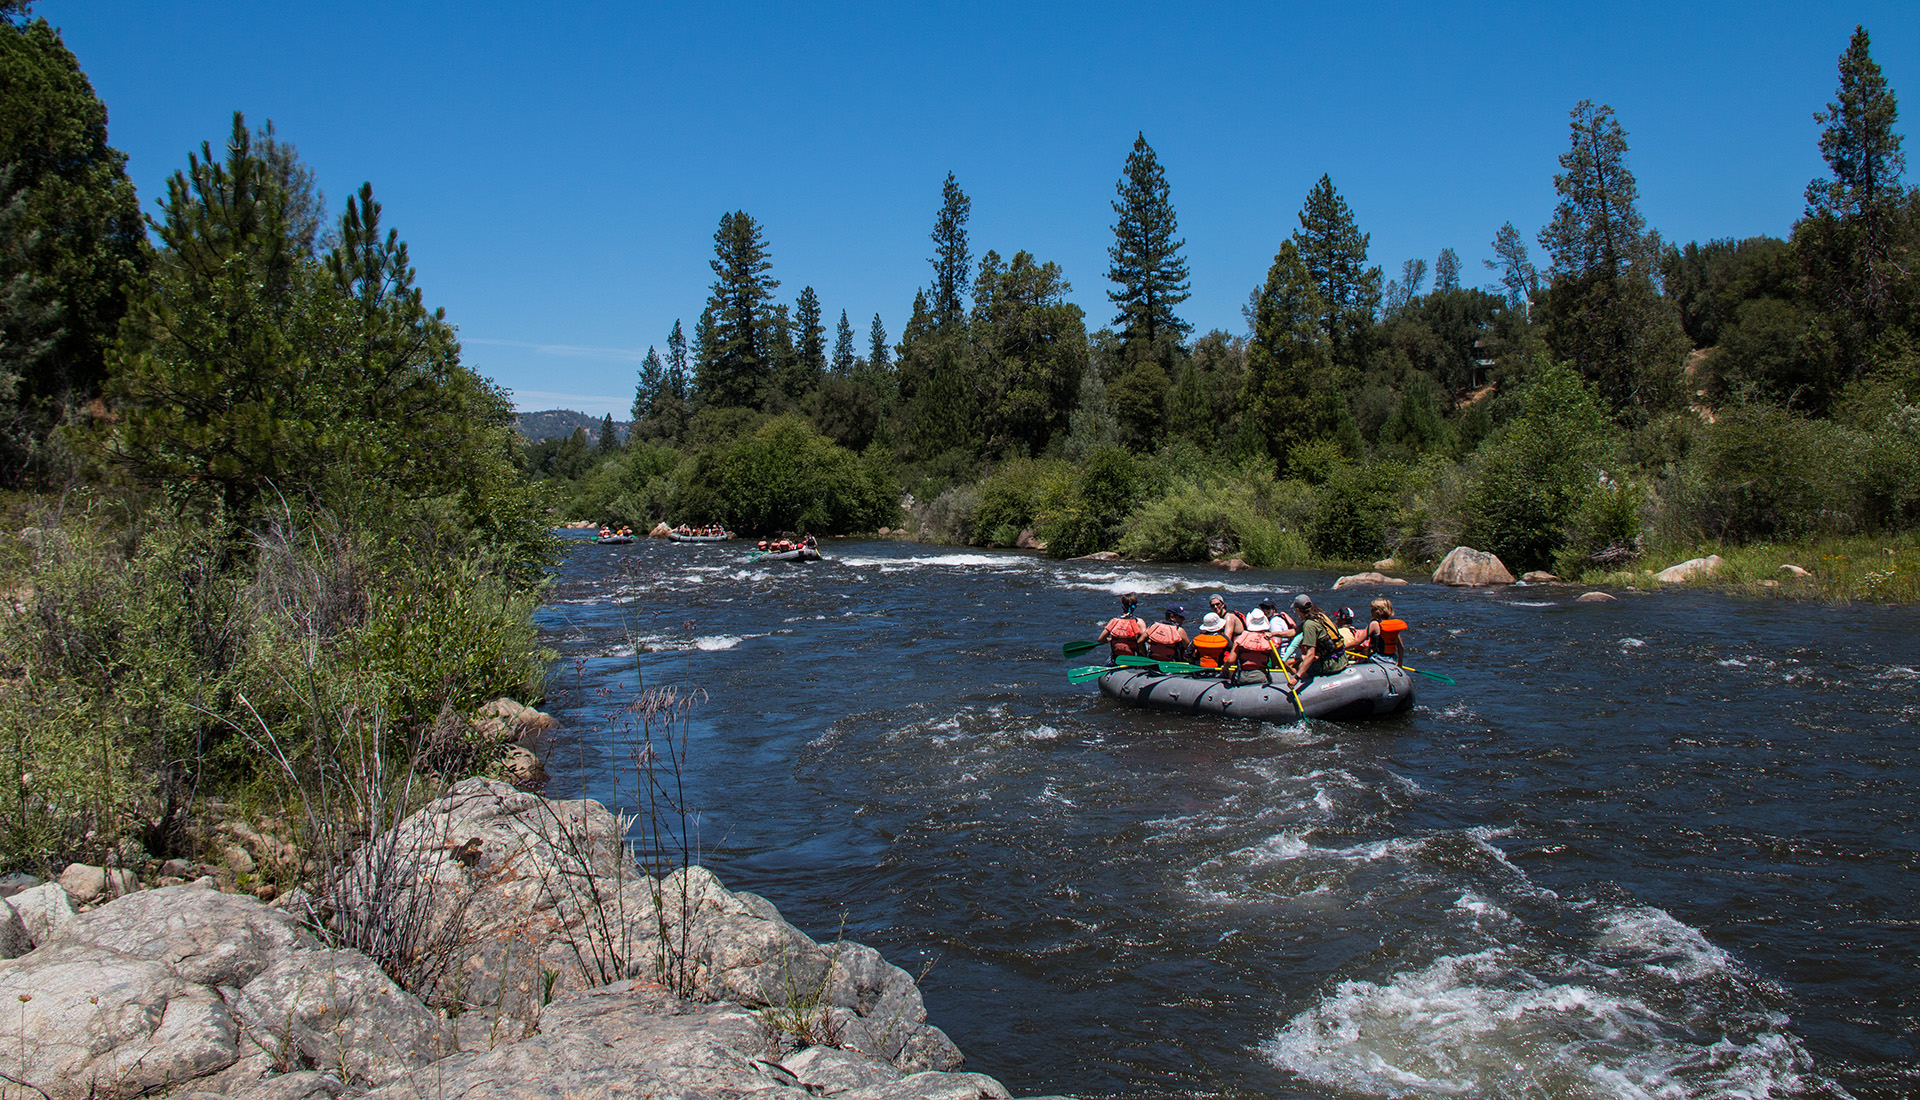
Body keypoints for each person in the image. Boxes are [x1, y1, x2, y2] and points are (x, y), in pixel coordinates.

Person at [1284, 594, 1351, 683]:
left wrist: (1296, 678)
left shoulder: (1309, 625)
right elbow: (1294, 632)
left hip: (1331, 664)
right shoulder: (1320, 616)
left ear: (1298, 610)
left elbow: (1310, 655)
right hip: (1341, 658)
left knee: (1301, 667)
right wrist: (1274, 634)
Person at [1230, 609, 1280, 683]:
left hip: (1242, 676)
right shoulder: (1268, 641)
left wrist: (1225, 668)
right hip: (1261, 676)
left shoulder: (1241, 639)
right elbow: (1276, 661)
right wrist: (1290, 670)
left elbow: (1230, 660)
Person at [1096, 594, 1147, 660]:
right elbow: (1143, 640)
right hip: (1134, 659)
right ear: (1136, 606)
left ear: (1122, 606)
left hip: (1117, 659)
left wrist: (1113, 640)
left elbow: (1101, 639)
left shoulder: (1114, 621)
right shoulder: (1139, 622)